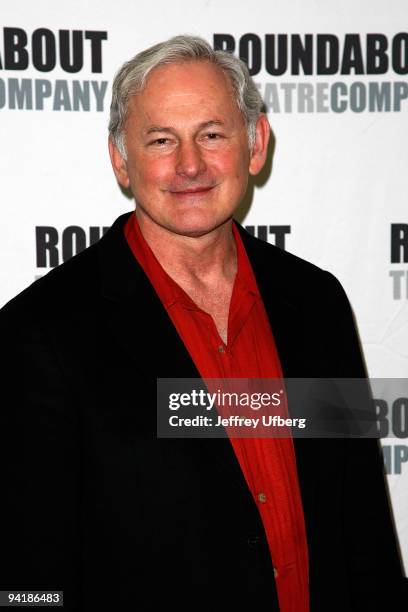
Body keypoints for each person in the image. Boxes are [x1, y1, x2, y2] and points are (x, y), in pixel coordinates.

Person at [0, 35, 406, 612]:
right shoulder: (39, 334)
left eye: (212, 135)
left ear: (255, 144)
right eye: (162, 140)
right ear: (120, 160)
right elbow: (27, 579)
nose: (190, 165)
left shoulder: (316, 303)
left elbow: (361, 527)